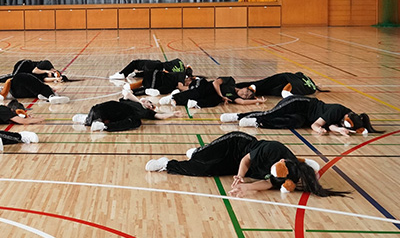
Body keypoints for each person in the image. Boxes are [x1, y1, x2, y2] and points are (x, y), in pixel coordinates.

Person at [144, 131, 347, 197]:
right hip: (237, 146)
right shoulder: (274, 149)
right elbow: (246, 160)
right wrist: (241, 175)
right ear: (282, 161)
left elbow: (268, 184)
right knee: (199, 157)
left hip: (239, 165)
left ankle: (166, 164)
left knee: (202, 170)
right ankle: (198, 151)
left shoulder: (286, 177)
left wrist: (246, 187)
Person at [219, 95, 378, 136]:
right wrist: (319, 130)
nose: (342, 125)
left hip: (303, 116)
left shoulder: (341, 118)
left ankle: (255, 123)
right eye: (344, 124)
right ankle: (237, 116)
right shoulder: (337, 109)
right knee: (270, 113)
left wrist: (339, 130)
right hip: (299, 103)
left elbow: (330, 124)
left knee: (293, 122)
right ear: (347, 116)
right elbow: (317, 125)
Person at [72, 90, 182, 132]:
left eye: (151, 105)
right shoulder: (133, 101)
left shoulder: (147, 112)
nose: (149, 104)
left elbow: (160, 116)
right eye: (149, 102)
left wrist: (172, 113)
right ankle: (87, 119)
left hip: (119, 116)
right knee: (99, 108)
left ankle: (100, 125)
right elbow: (126, 93)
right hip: (112, 108)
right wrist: (140, 101)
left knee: (137, 122)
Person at [158, 76, 265, 109]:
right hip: (207, 86)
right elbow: (216, 83)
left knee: (215, 101)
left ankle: (194, 104)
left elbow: (241, 102)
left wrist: (259, 101)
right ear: (245, 87)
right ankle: (173, 97)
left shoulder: (233, 96)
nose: (244, 95)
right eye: (246, 92)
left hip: (214, 95)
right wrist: (221, 95)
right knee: (200, 92)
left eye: (246, 96)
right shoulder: (231, 81)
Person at [0, 72, 70, 104]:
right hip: (13, 90)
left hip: (17, 92)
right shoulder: (46, 66)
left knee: (38, 88)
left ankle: (48, 96)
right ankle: (51, 96)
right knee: (21, 76)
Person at [235, 72, 322, 97]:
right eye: (246, 96)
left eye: (244, 91)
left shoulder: (255, 86)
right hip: (281, 85)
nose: (245, 93)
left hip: (285, 79)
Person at [0, 59, 70, 84]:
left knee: (16, 78)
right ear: (54, 70)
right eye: (54, 74)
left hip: (27, 73)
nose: (51, 76)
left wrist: (56, 80)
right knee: (14, 75)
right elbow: (34, 70)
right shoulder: (46, 64)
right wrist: (46, 71)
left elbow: (44, 80)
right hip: (25, 64)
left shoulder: (46, 75)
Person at [124, 69, 191, 97]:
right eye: (189, 83)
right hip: (155, 77)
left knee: (149, 89)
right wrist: (190, 88)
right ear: (188, 78)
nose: (187, 85)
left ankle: (131, 91)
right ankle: (130, 92)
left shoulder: (177, 80)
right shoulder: (182, 76)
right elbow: (181, 87)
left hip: (157, 82)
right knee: (147, 89)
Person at [109, 58, 188, 80]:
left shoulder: (179, 61)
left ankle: (122, 74)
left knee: (135, 63)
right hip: (158, 69)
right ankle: (135, 74)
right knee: (149, 73)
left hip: (156, 64)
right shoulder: (180, 74)